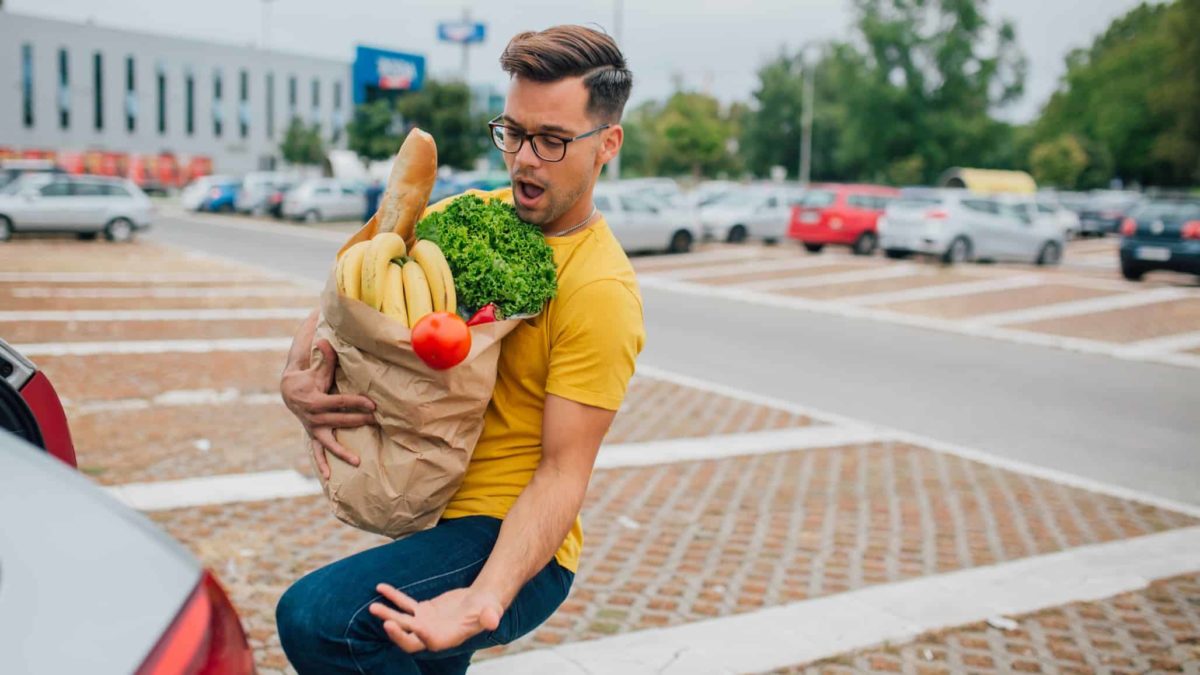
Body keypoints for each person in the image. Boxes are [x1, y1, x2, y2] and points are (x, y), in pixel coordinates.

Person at [275, 25, 645, 674]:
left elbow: (563, 473)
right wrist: (295, 375)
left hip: (506, 538)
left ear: (606, 144)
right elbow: (352, 297)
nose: (526, 158)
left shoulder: (600, 287)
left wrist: (483, 600)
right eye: (514, 132)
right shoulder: (468, 215)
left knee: (318, 618)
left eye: (553, 140)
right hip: (427, 508)